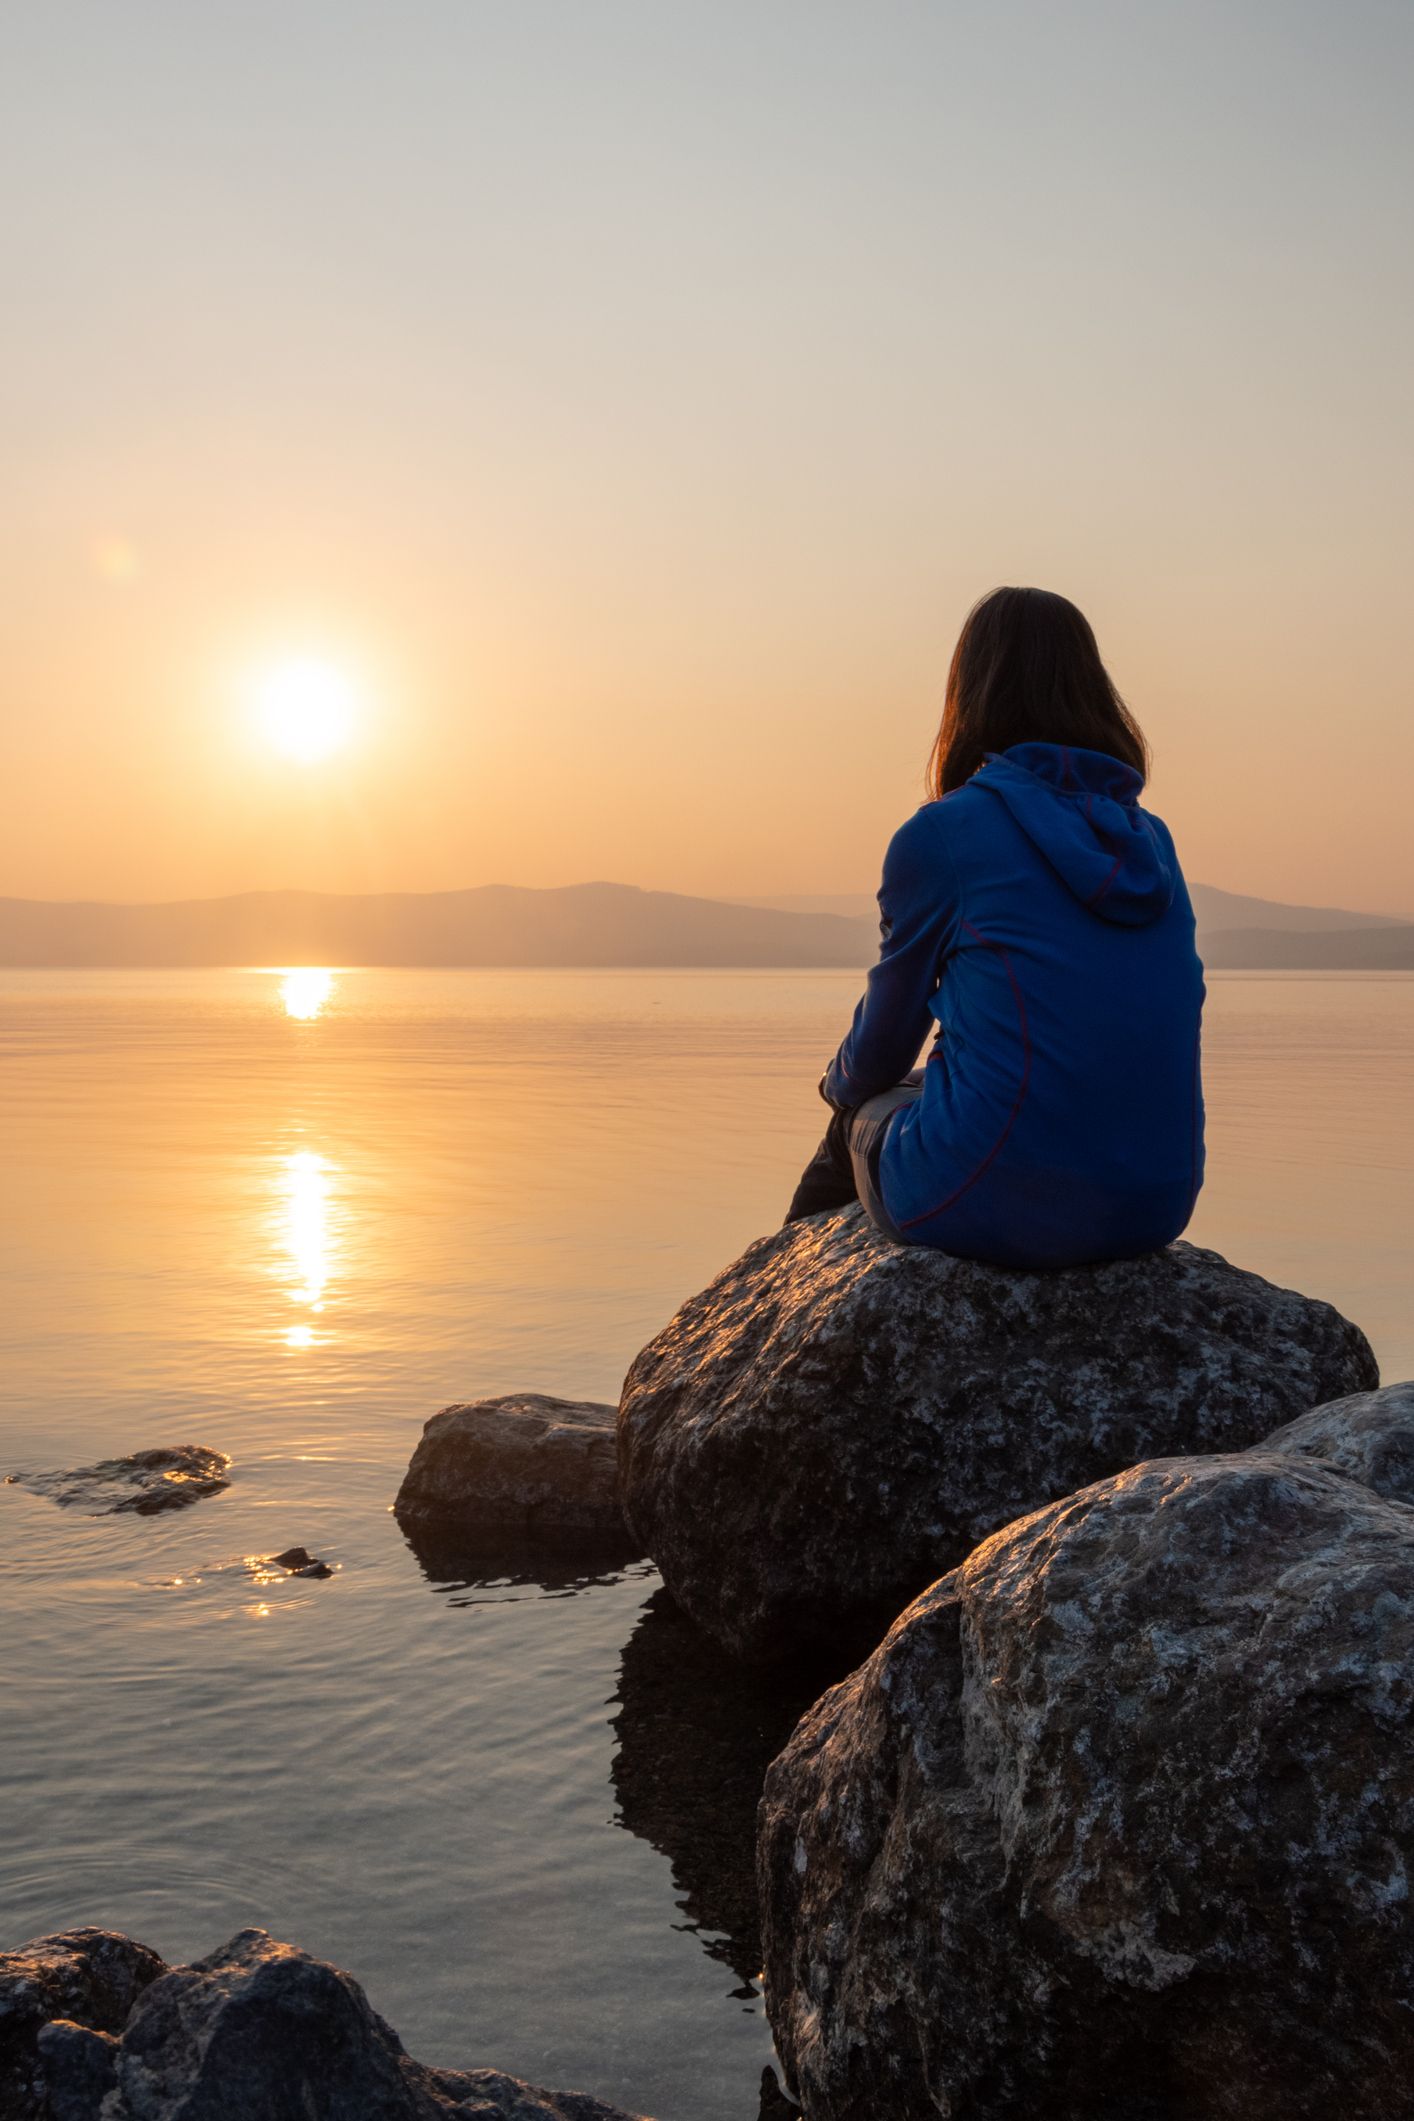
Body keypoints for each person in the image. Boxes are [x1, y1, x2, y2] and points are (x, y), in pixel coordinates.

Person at [787, 586, 1205, 1269]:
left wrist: (837, 1087)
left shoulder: (944, 835)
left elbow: (881, 1052)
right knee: (934, 1086)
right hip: (1156, 1203)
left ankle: (781, 1316)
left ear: (969, 690)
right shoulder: (1151, 842)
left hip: (989, 1195)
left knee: (854, 1123)